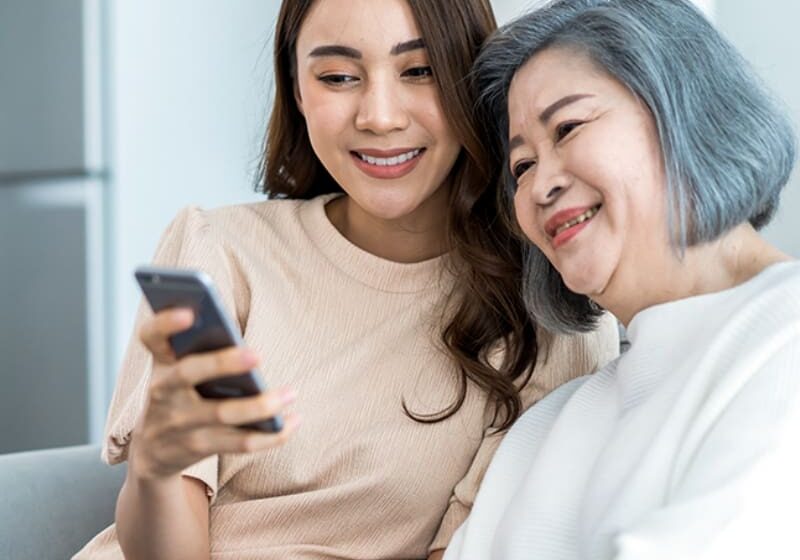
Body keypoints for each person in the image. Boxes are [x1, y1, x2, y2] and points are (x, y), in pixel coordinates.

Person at [74, 0, 619, 558]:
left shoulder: (547, 315)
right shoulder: (220, 250)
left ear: (473, 83)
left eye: (420, 71)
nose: (379, 117)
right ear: (298, 90)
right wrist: (156, 470)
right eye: (337, 77)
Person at [443, 0, 800, 558]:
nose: (538, 187)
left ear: (685, 110)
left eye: (567, 127)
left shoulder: (785, 331)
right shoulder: (547, 426)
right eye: (522, 165)